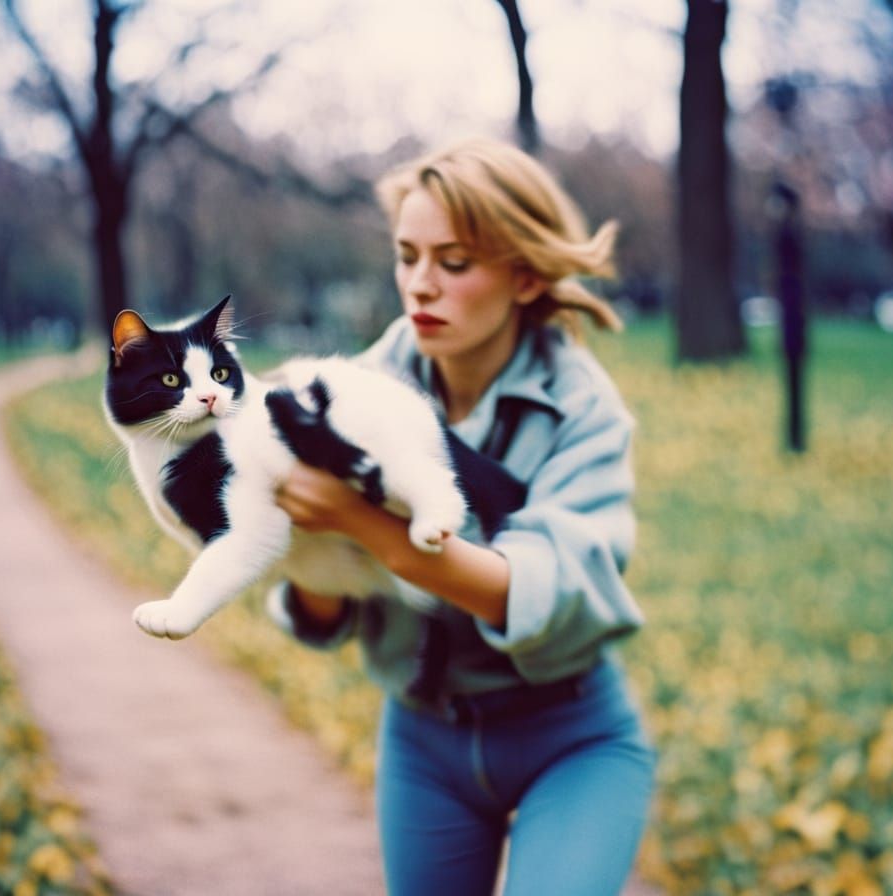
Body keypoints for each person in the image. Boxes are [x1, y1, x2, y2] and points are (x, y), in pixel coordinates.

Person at [269, 137, 655, 896]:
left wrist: (355, 517)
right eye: (407, 256)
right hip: (423, 740)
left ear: (523, 275)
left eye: (453, 263)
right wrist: (309, 553)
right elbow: (321, 610)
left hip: (572, 740)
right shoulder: (351, 392)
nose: (420, 286)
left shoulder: (585, 414)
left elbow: (528, 592)